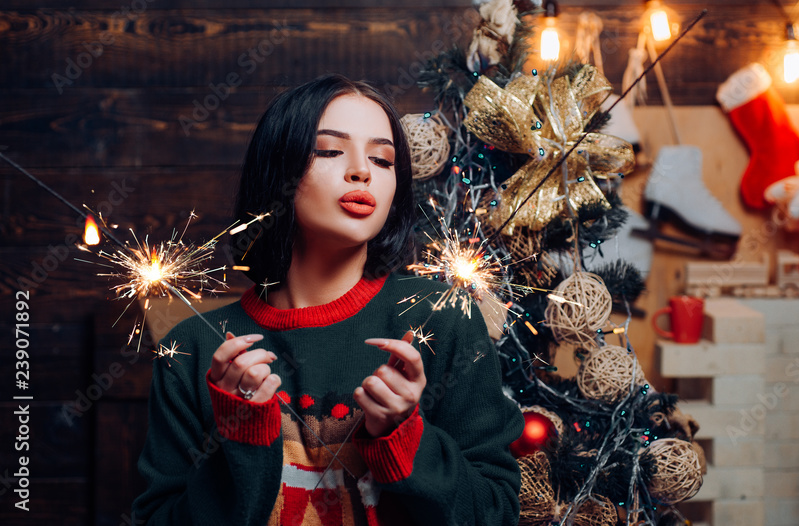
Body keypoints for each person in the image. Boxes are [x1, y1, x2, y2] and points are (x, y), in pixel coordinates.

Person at [133, 74, 524, 526]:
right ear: (276, 171)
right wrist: (241, 439)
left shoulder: (441, 318)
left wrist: (404, 437)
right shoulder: (191, 350)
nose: (362, 171)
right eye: (330, 150)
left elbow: (494, 514)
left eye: (382, 159)